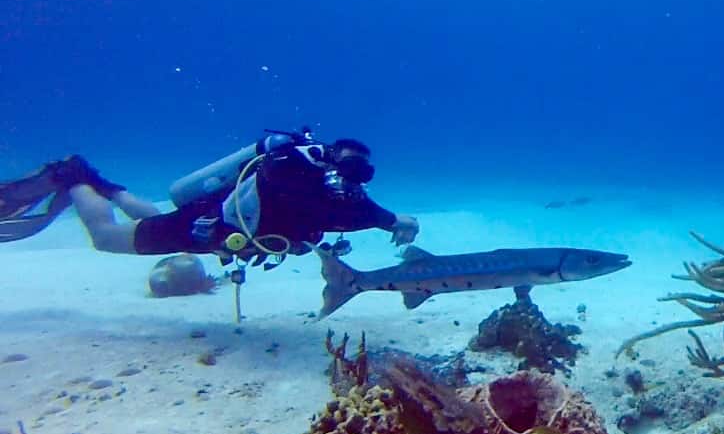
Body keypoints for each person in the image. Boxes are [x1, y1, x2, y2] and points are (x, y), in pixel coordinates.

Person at [0, 132, 418, 260]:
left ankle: (104, 186)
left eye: (361, 172)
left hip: (214, 229)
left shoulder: (341, 198)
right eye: (346, 166)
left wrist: (393, 219)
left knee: (152, 222)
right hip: (208, 227)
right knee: (107, 239)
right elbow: (338, 213)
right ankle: (72, 178)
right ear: (326, 158)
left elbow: (357, 213)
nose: (351, 177)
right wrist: (388, 219)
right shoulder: (292, 170)